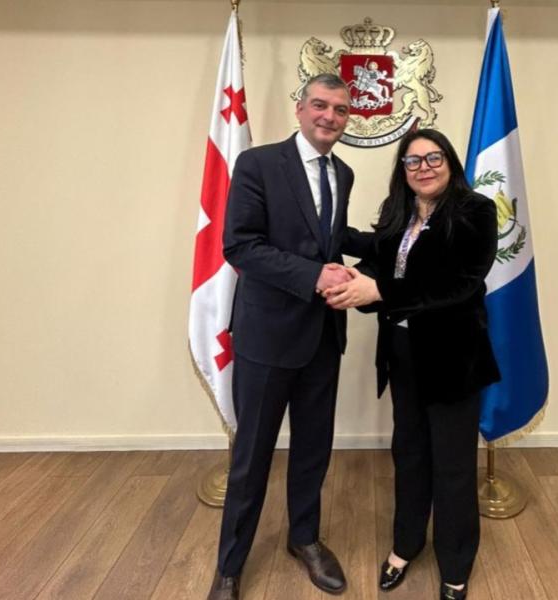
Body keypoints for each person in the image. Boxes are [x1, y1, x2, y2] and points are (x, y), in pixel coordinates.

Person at [208, 73, 371, 600]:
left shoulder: (343, 172)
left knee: (313, 449)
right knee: (252, 456)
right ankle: (230, 565)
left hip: (323, 336)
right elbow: (241, 245)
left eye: (340, 110)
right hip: (267, 337)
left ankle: (304, 538)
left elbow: (329, 236)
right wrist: (314, 275)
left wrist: (402, 236)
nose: (330, 116)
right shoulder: (257, 164)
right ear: (299, 109)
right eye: (320, 105)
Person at [324, 129, 500, 600]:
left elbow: (457, 284)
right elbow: (380, 256)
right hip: (402, 355)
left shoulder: (476, 211)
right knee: (410, 453)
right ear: (402, 170)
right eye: (413, 160)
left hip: (453, 359)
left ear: (450, 162)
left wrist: (378, 290)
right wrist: (338, 252)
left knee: (453, 466)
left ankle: (456, 565)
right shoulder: (398, 212)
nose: (423, 168)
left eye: (433, 158)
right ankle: (406, 545)